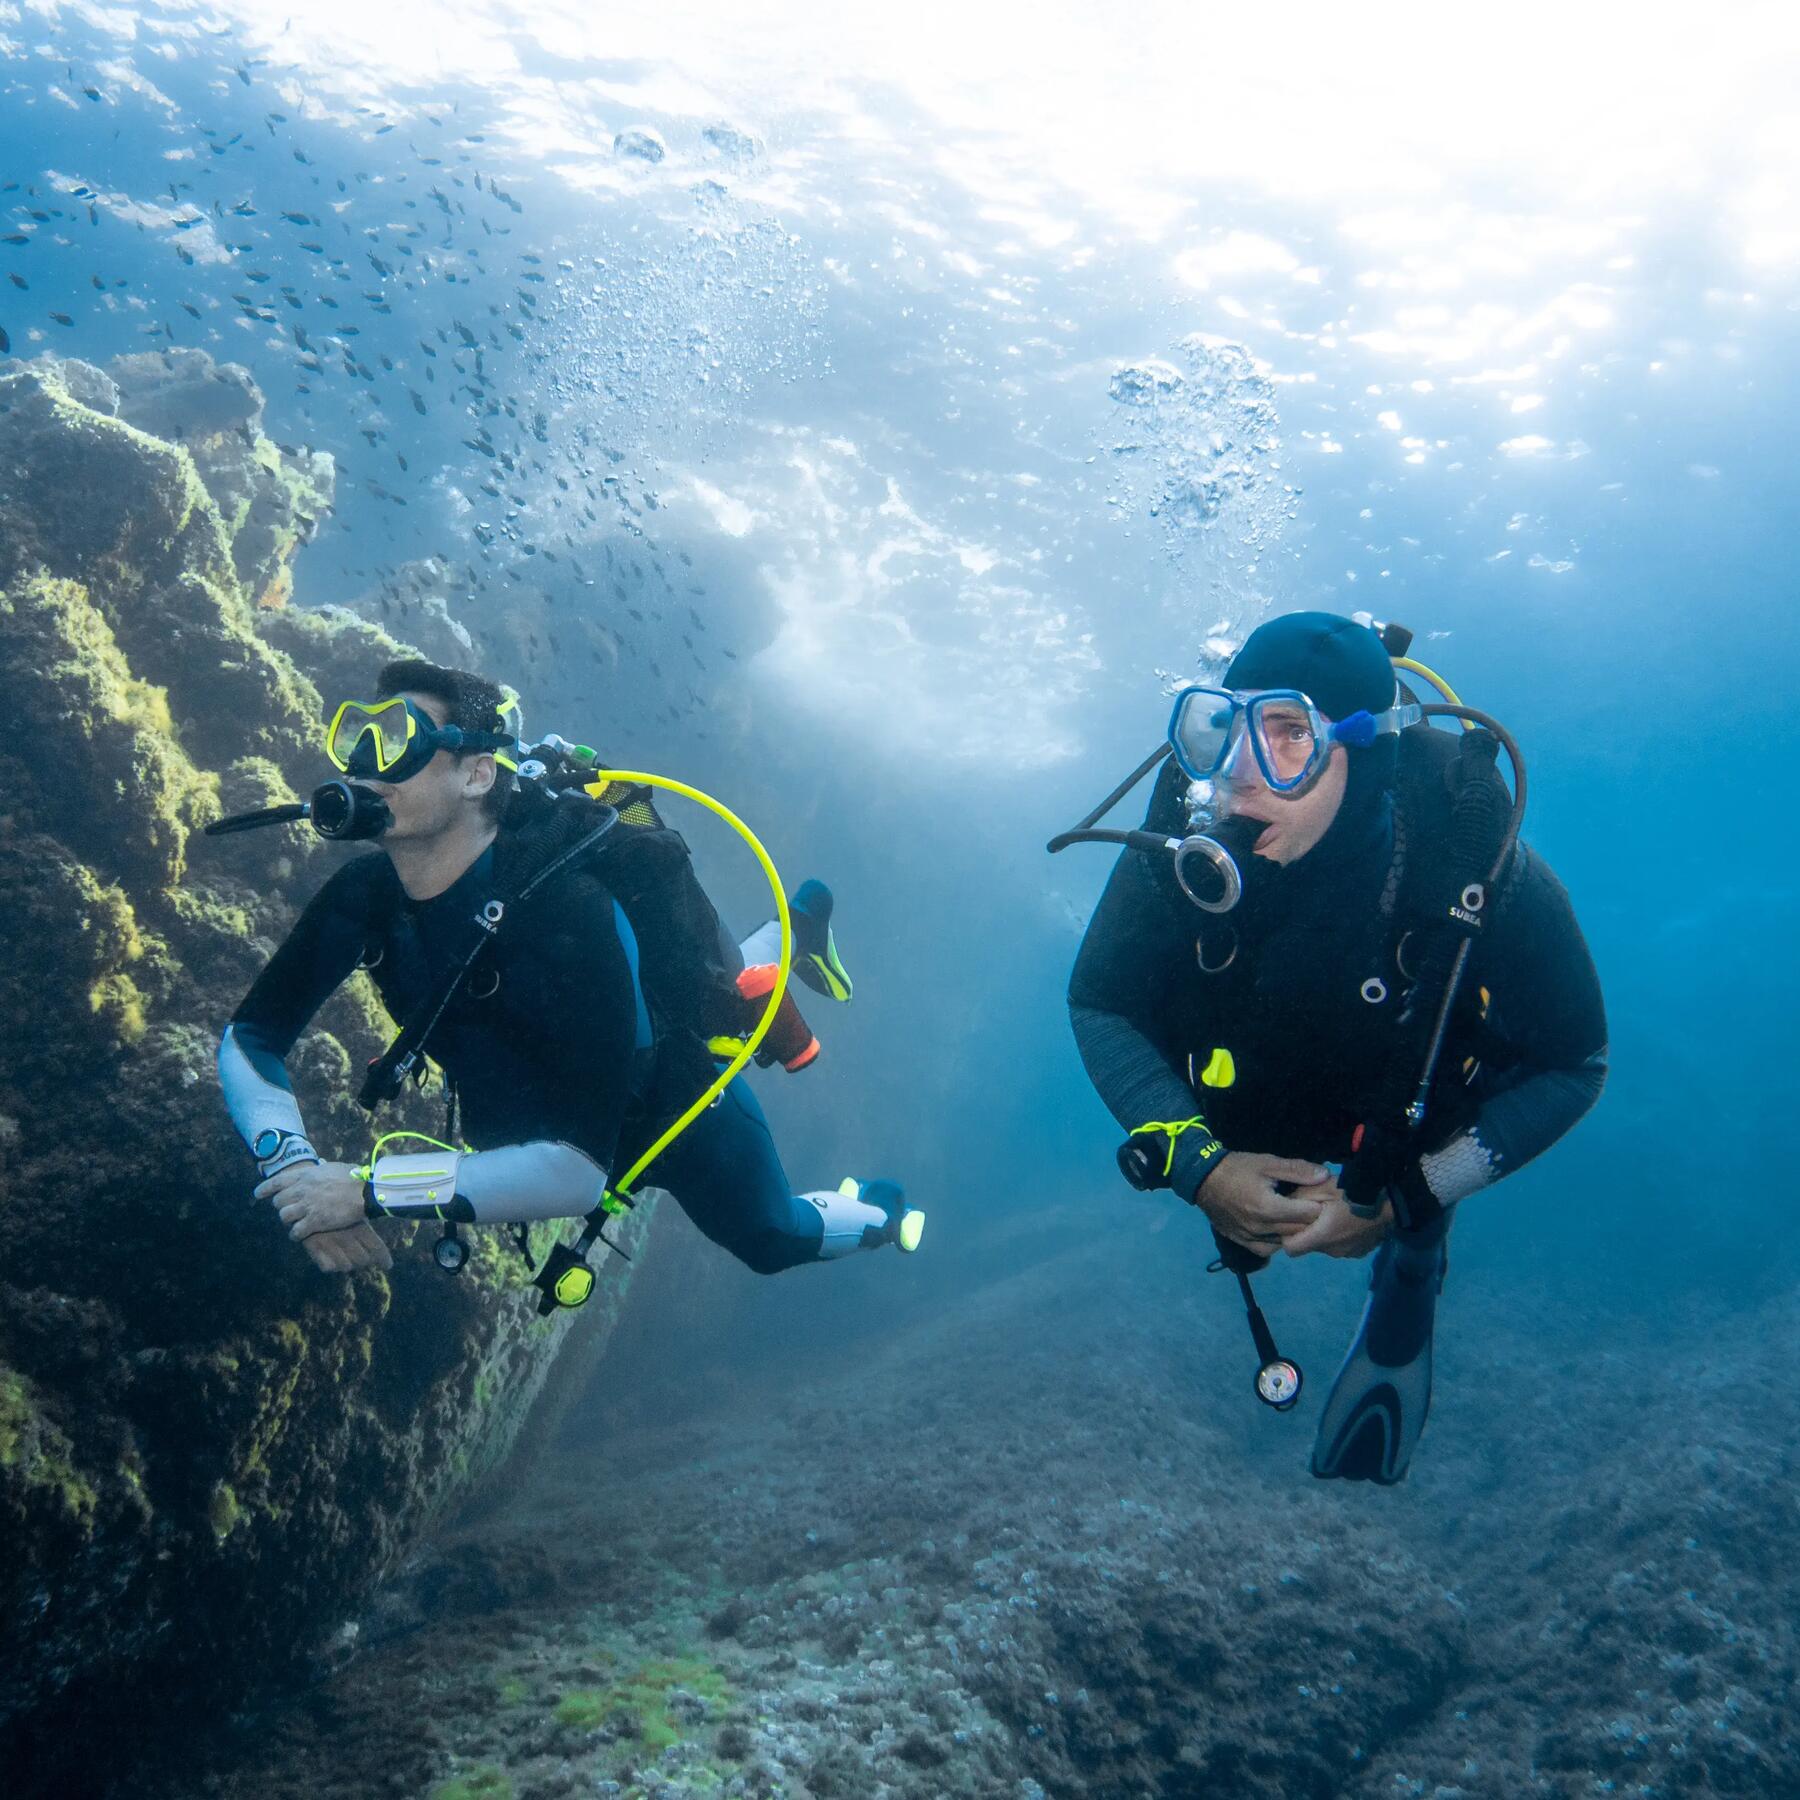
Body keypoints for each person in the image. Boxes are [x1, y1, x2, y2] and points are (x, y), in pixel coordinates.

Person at [1067, 612, 1605, 1482]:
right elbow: (1100, 1001)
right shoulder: (1185, 830)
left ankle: (1412, 1272)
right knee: (1237, 1218)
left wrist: (1408, 1196)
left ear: (1368, 755)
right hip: (1244, 1105)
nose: (1239, 775)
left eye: (1290, 735)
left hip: (1400, 1121)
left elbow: (1577, 1064)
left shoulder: (1469, 855)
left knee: (1419, 1209)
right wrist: (1199, 1167)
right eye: (1225, 727)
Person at [217, 659, 923, 1284]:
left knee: (771, 1240)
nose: (365, 764)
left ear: (476, 772)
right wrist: (291, 1166)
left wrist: (364, 1190)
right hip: (536, 1134)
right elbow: (251, 1037)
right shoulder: (362, 895)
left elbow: (577, 1173)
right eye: (356, 738)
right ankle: (792, 931)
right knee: (732, 972)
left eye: (398, 739)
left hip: (666, 1110)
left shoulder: (571, 912)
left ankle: (882, 1214)